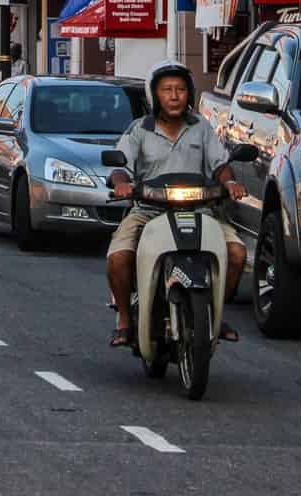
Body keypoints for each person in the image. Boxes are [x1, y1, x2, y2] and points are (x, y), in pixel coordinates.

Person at [104, 59, 247, 348]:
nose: (173, 95)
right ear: (154, 95)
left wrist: (230, 182)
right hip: (148, 210)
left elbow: (220, 165)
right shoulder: (139, 129)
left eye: (180, 89)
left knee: (236, 253)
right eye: (166, 89)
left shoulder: (202, 128)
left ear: (189, 93)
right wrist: (120, 183)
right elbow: (121, 165)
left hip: (200, 209)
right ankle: (124, 318)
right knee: (118, 257)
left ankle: (215, 314)